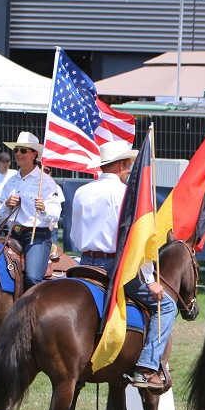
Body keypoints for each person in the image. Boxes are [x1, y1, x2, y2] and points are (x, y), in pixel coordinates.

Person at [70, 139, 176, 390]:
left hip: (85, 263)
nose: (129, 169)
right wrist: (149, 281)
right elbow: (140, 242)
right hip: (115, 267)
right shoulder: (126, 194)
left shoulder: (81, 192)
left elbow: (74, 235)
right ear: (119, 165)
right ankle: (147, 367)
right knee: (167, 306)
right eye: (128, 164)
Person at [0, 131, 64, 289]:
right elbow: (1, 214)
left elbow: (55, 214)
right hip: (12, 233)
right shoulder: (11, 181)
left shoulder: (46, 181)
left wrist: (43, 208)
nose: (18, 154)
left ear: (34, 154)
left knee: (32, 277)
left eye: (23, 150)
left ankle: (36, 310)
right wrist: (7, 204)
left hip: (37, 235)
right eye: (16, 150)